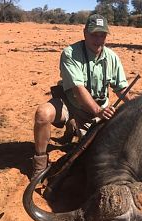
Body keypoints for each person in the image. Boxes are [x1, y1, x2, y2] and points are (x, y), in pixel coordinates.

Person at [32, 14, 131, 181]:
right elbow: (78, 89)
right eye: (94, 34)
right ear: (84, 33)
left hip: (99, 111)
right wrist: (98, 111)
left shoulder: (112, 57)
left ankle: (74, 129)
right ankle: (40, 164)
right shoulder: (70, 53)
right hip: (71, 105)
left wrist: (137, 106)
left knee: (96, 151)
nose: (98, 39)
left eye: (102, 35)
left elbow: (121, 88)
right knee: (42, 114)